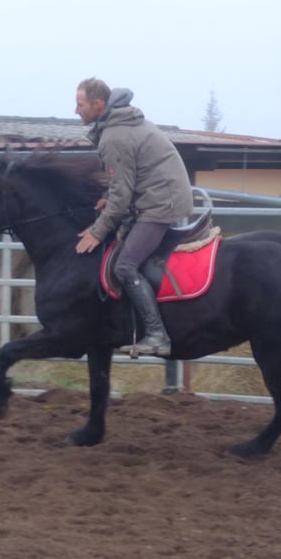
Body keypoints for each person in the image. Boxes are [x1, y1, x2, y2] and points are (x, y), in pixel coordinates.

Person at [74, 78, 193, 356]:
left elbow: (121, 199)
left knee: (125, 266)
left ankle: (156, 335)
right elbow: (123, 185)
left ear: (98, 104)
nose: (76, 110)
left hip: (160, 204)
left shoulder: (115, 136)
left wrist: (96, 231)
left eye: (80, 104)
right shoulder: (120, 126)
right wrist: (110, 199)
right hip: (157, 196)